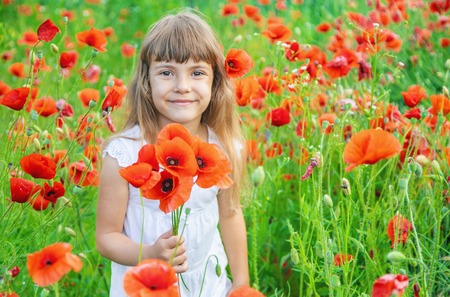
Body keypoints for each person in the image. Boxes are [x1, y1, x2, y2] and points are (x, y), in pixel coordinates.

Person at [95, 9, 249, 297]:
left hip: (208, 285)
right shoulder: (124, 153)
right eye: (166, 72)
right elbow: (106, 237)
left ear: (214, 83)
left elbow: (230, 215)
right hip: (145, 286)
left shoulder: (224, 148)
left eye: (197, 73)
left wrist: (241, 284)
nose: (182, 86)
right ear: (147, 81)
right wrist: (150, 253)